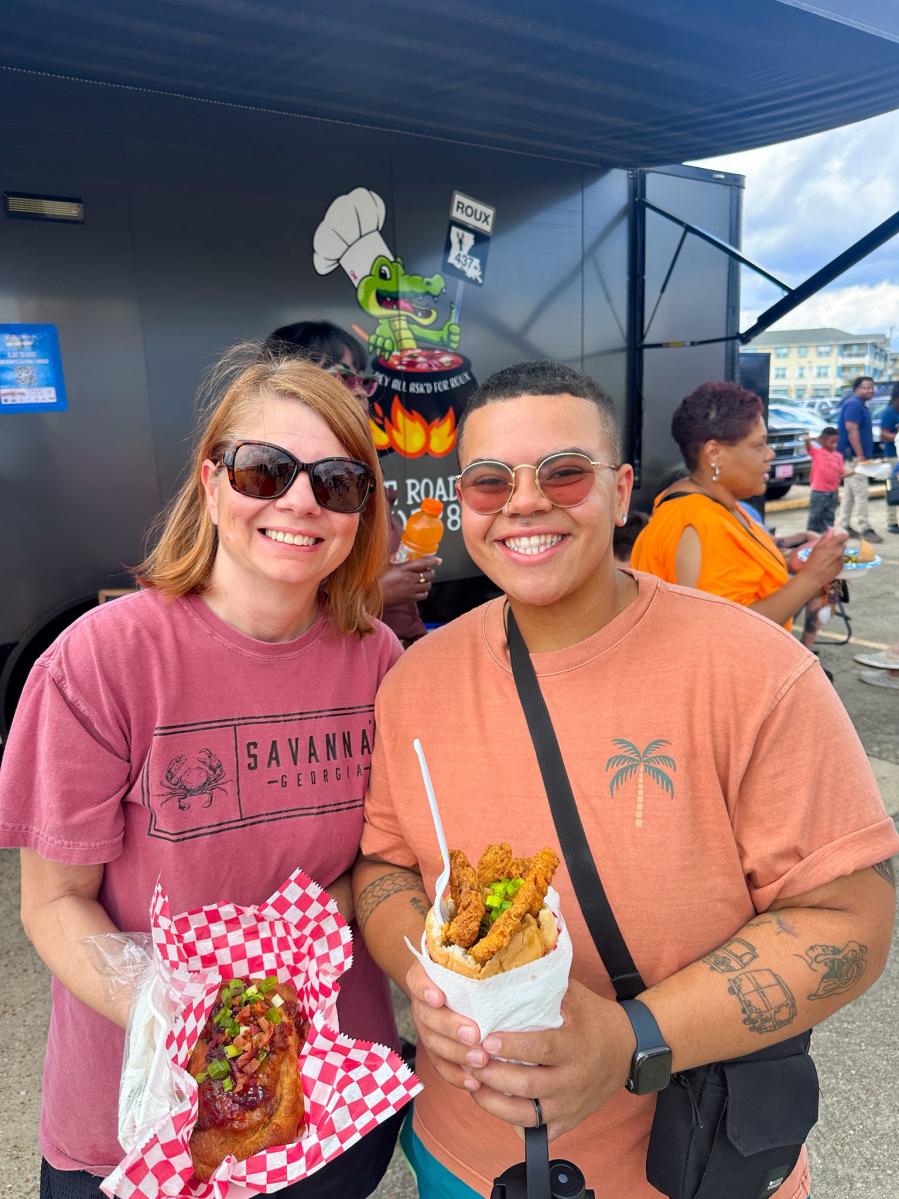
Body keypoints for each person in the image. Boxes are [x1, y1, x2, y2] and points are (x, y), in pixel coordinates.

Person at [353, 360, 898, 1199]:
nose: (525, 502)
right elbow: (385, 864)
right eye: (492, 482)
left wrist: (629, 1038)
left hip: (691, 1165)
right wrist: (423, 979)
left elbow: (851, 921)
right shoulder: (414, 681)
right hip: (462, 1158)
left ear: (619, 487)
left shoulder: (757, 670)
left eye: (563, 473)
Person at [0, 347, 405, 1198]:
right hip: (141, 1113)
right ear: (213, 484)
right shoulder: (100, 663)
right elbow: (52, 901)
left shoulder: (378, 660)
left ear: (361, 512)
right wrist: (191, 1020)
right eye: (266, 471)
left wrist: (285, 973)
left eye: (336, 482)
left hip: (331, 1106)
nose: (300, 500)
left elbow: (377, 858)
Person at [267, 319, 440, 643]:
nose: (358, 389)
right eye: (343, 377)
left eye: (363, 379)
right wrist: (379, 595)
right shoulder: (270, 480)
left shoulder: (363, 463)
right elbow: (273, 608)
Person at [630, 381, 846, 631]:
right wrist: (812, 577)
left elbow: (736, 570)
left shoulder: (717, 504)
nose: (770, 455)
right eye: (758, 445)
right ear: (714, 454)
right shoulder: (698, 521)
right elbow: (727, 631)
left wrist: (789, 560)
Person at [837, 375, 883, 543]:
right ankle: (865, 527)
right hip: (854, 457)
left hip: (852, 456)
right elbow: (851, 429)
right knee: (861, 493)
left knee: (849, 494)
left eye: (871, 387)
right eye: (865, 387)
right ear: (856, 389)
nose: (870, 390)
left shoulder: (859, 405)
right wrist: (860, 455)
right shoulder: (854, 404)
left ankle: (844, 526)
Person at [803, 425, 843, 533]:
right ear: (822, 440)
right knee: (815, 515)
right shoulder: (816, 452)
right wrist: (808, 440)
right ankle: (811, 537)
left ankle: (826, 537)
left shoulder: (838, 456)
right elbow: (808, 447)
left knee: (829, 516)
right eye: (831, 442)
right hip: (819, 492)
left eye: (836, 442)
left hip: (833, 492)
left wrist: (856, 470)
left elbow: (842, 471)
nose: (834, 445)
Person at [876, 382, 899, 534]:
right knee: (894, 490)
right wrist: (898, 437)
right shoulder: (889, 413)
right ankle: (891, 522)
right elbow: (883, 435)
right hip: (892, 457)